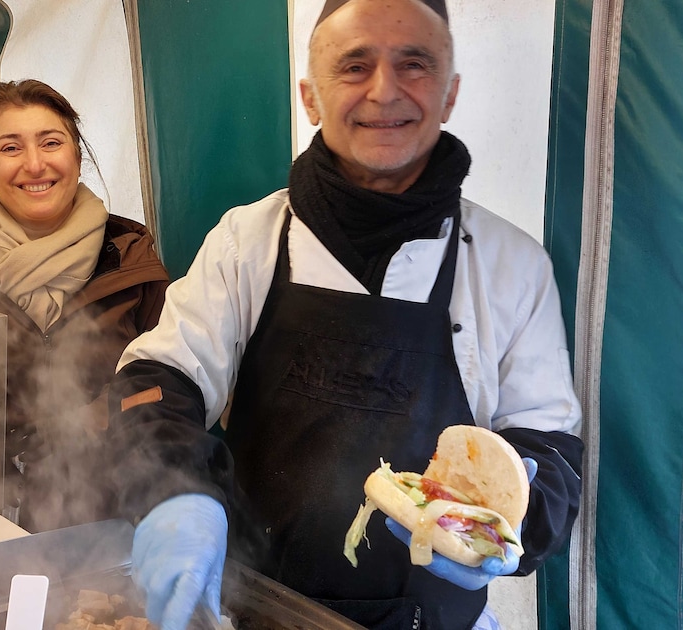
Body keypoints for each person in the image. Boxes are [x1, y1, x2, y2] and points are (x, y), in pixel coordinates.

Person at [106, 1, 583, 629]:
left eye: (414, 64)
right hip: (257, 610)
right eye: (354, 65)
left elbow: (551, 452)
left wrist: (509, 520)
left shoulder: (511, 266)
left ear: (450, 94)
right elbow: (155, 379)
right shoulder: (247, 241)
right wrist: (173, 494)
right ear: (310, 96)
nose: (384, 91)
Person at [0, 79, 170, 533]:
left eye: (51, 142)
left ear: (77, 156)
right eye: (11, 148)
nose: (34, 164)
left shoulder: (131, 256)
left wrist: (93, 420)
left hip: (97, 517)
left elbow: (163, 384)